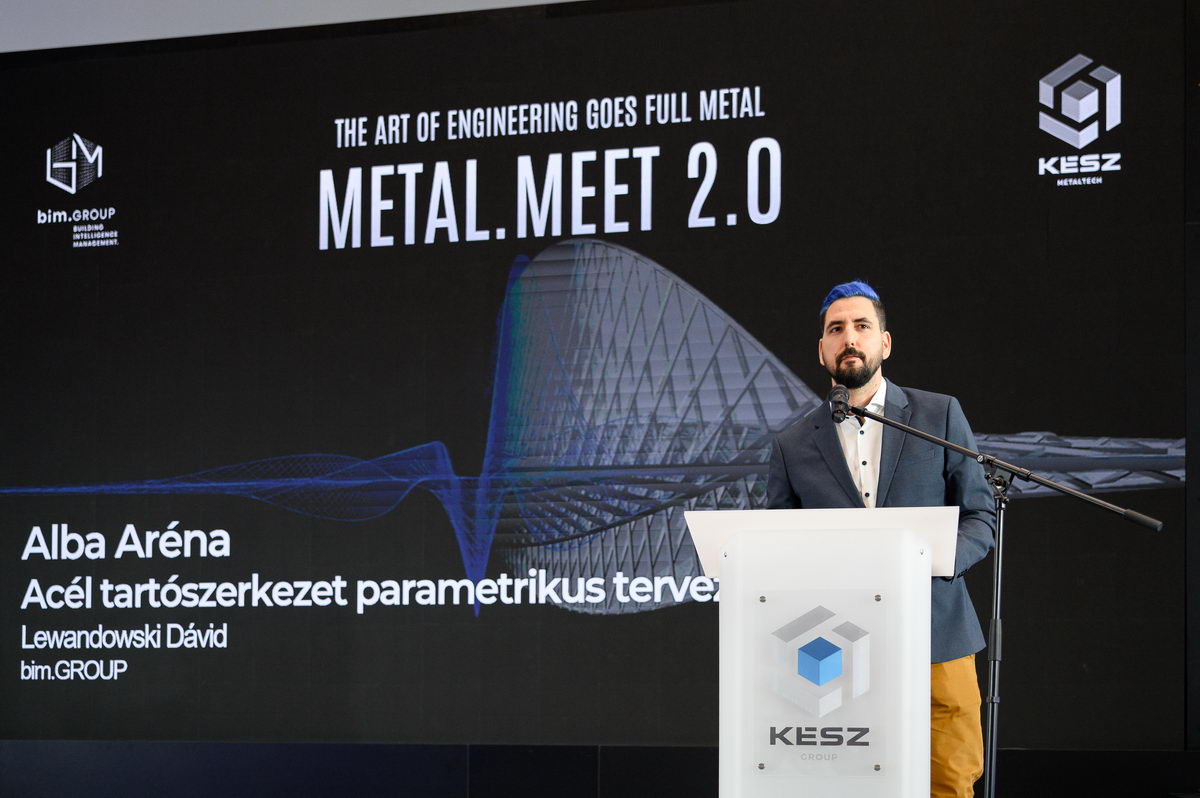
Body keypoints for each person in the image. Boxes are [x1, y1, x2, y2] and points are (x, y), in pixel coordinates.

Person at [767, 280, 996, 798]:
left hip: (937, 631)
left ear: (884, 343)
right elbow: (776, 545)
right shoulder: (792, 445)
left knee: (950, 779)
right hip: (835, 646)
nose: (849, 338)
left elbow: (980, 514)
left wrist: (936, 562)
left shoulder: (938, 416)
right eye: (836, 329)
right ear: (822, 350)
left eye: (862, 326)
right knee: (851, 780)